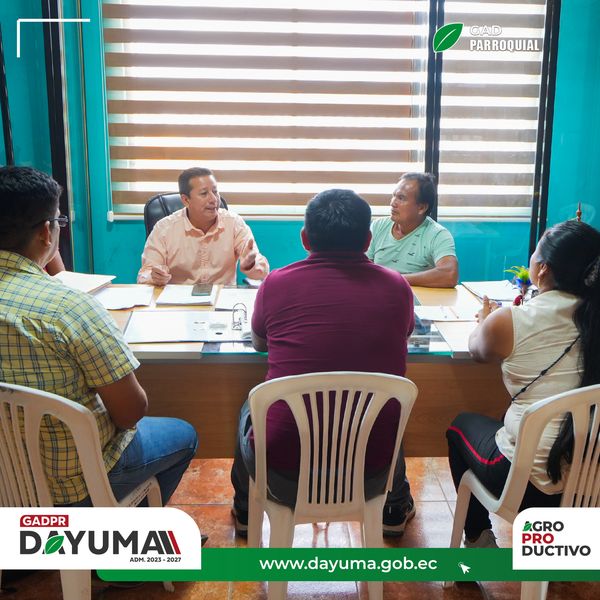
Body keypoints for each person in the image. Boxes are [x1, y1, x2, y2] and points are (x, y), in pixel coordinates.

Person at [0, 166, 198, 507]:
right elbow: (131, 412)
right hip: (72, 485)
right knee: (184, 435)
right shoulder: (69, 309)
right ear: (47, 232)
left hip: (7, 482)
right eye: (59, 222)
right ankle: (116, 531)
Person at [230, 188, 416, 537]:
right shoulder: (398, 287)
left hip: (283, 475)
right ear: (367, 240)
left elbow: (259, 343)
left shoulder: (276, 284)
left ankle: (244, 509)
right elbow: (403, 335)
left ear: (305, 238)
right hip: (371, 474)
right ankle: (394, 505)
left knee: (250, 403)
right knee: (381, 402)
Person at [446, 220, 600, 548]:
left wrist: (485, 320)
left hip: (534, 488)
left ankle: (479, 539)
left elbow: (477, 350)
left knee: (459, 426)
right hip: (592, 486)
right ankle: (564, 551)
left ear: (542, 269)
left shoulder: (511, 320)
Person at [137, 167, 269, 286]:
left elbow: (261, 272)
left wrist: (251, 264)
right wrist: (154, 277)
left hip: (222, 300)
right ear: (186, 200)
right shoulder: (164, 229)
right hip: (178, 301)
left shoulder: (234, 223)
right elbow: (144, 275)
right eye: (204, 193)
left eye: (215, 191)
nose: (214, 199)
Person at [367, 172, 458, 288]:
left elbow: (449, 274)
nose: (392, 203)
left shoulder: (437, 234)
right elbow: (364, 268)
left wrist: (396, 279)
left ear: (421, 207)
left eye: (401, 198)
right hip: (380, 294)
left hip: (416, 298)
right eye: (394, 196)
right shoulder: (378, 226)